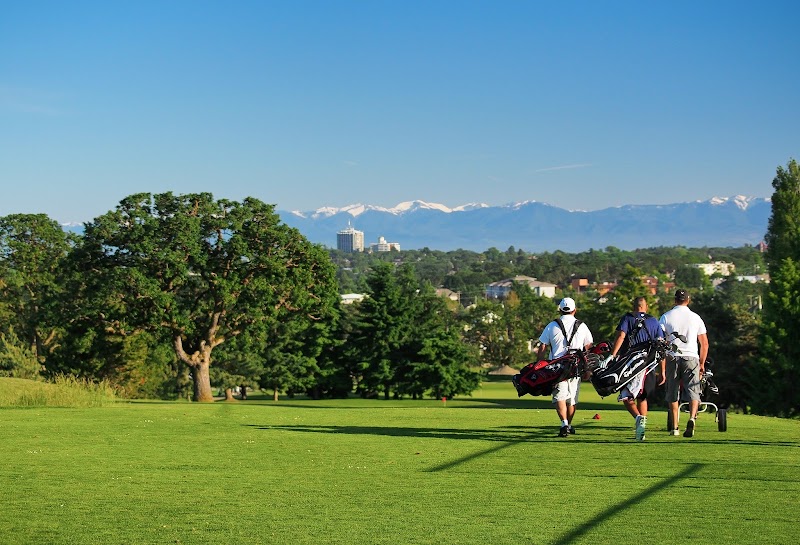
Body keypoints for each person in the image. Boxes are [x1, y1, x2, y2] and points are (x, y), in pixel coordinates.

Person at [609, 296, 665, 441]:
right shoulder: (654, 321)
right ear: (646, 307)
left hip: (629, 365)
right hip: (648, 365)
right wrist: (662, 371)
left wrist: (612, 355)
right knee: (642, 396)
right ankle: (642, 429)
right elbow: (661, 346)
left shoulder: (628, 318)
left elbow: (621, 336)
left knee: (626, 396)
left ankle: (638, 418)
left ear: (634, 307)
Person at [536, 297, 594, 437]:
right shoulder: (582, 326)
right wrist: (588, 368)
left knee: (560, 397)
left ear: (560, 310)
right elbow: (589, 346)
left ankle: (564, 424)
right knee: (572, 398)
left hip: (556, 368)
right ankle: (569, 425)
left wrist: (539, 365)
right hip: (576, 367)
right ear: (575, 310)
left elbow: (542, 346)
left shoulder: (552, 325)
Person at [658, 289, 709, 438]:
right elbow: (704, 343)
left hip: (672, 357)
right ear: (688, 300)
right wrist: (702, 363)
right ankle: (692, 417)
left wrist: (662, 369)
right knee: (693, 390)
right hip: (691, 357)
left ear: (675, 300)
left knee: (673, 392)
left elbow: (660, 343)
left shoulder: (666, 317)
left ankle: (675, 427)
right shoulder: (695, 317)